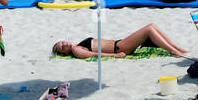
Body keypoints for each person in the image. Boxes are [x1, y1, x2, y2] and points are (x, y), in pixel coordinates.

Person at [52, 24, 188, 59]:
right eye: (62, 47)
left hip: (120, 43)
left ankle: (176, 48)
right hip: (119, 48)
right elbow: (94, 55)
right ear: (64, 53)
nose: (64, 44)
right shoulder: (76, 50)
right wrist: (115, 56)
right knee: (149, 29)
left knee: (152, 27)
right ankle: (174, 50)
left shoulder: (76, 45)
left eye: (61, 42)